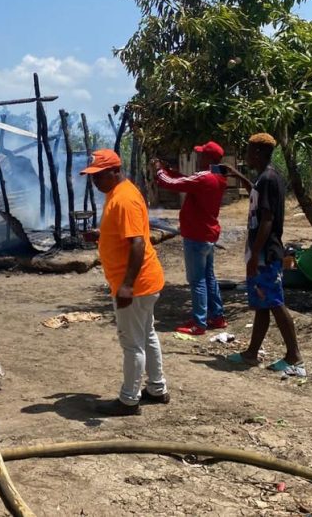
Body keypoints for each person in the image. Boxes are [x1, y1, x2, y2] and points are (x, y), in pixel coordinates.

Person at [81, 149, 169, 416]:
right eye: (92, 177)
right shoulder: (117, 194)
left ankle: (129, 400)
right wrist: (101, 234)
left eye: (99, 176)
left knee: (132, 343)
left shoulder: (125, 199)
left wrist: (127, 285)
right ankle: (157, 388)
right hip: (143, 281)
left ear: (114, 172)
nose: (95, 182)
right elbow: (126, 233)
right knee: (147, 335)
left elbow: (138, 243)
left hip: (136, 283)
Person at [226, 133, 304, 375]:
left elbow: (267, 220)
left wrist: (255, 255)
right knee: (262, 303)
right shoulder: (265, 178)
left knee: (275, 303)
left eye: (248, 151)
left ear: (258, 152)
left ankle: (294, 357)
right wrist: (236, 175)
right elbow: (258, 197)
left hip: (266, 253)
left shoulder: (268, 178)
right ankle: (251, 353)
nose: (246, 155)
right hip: (262, 251)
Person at [152, 141, 228, 335]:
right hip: (208, 234)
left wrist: (160, 171)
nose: (198, 157)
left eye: (202, 154)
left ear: (208, 158)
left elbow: (170, 184)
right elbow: (187, 181)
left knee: (197, 281)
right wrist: (172, 172)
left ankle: (199, 322)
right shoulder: (217, 177)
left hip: (196, 235)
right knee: (208, 277)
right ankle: (216, 316)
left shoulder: (203, 178)